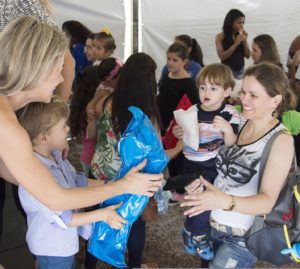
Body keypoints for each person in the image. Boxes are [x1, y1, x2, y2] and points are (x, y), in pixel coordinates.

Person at [0, 16, 162, 216]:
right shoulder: (6, 123)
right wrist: (124, 187)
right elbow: (55, 198)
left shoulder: (7, 111)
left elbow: (16, 174)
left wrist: (115, 183)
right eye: (57, 70)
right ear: (36, 68)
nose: (60, 79)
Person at [181, 62, 297, 268]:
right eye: (243, 92)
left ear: (275, 100)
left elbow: (267, 202)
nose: (244, 99)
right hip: (211, 223)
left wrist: (222, 200)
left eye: (253, 95)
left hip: (242, 237)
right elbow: (214, 164)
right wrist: (200, 186)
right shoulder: (238, 120)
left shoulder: (281, 140)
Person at [17, 96, 127, 269]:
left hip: (62, 243)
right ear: (43, 138)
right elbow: (64, 219)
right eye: (63, 126)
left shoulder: (56, 156)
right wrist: (103, 214)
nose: (68, 128)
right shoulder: (37, 174)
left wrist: (112, 184)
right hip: (53, 249)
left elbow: (77, 180)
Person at [172, 64, 240, 263]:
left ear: (227, 91)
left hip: (213, 165)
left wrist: (227, 129)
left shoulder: (230, 113)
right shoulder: (192, 111)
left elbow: (232, 143)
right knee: (195, 199)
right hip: (191, 164)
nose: (206, 93)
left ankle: (196, 233)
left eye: (213, 88)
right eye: (202, 87)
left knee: (203, 200)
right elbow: (183, 136)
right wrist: (179, 133)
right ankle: (194, 232)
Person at [158, 42, 199, 202]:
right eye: (168, 58)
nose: (170, 62)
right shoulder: (166, 76)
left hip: (179, 127)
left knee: (180, 157)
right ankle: (174, 185)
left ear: (184, 62)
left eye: (175, 60)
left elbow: (192, 108)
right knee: (170, 156)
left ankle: (182, 189)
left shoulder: (188, 83)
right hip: (165, 124)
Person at [215, 9, 250, 79]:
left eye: (243, 23)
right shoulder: (220, 36)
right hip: (227, 72)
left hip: (240, 71)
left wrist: (245, 41)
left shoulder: (241, 35)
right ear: (231, 22)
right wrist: (235, 44)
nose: (242, 25)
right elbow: (222, 57)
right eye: (239, 23)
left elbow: (248, 56)